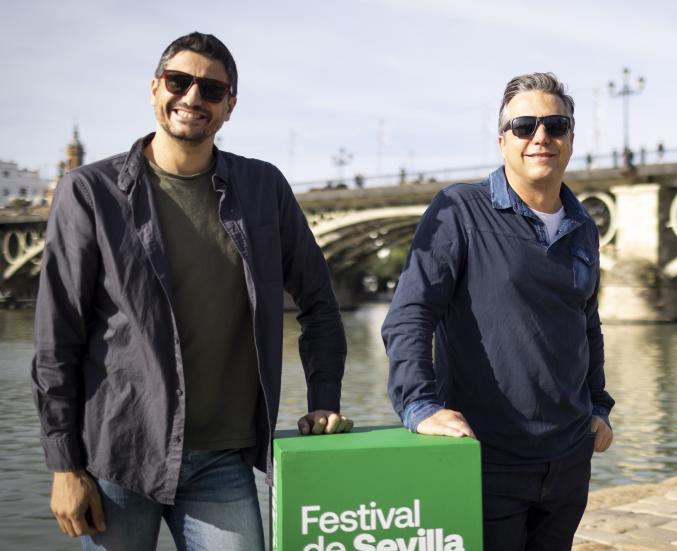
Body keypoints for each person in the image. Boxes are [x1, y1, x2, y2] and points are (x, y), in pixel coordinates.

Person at [32, 32, 351, 550]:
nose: (192, 98)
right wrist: (64, 464)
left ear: (229, 107)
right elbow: (56, 340)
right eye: (179, 82)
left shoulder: (263, 188)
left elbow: (318, 301)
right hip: (118, 456)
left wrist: (324, 400)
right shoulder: (90, 192)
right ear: (155, 88)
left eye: (211, 90)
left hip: (221, 459)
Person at [382, 72, 615, 550]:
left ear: (571, 139)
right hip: (488, 459)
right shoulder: (459, 210)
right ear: (502, 140)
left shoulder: (583, 226)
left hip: (570, 457)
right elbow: (410, 314)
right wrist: (419, 405)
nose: (541, 137)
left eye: (555, 125)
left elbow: (586, 323)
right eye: (525, 126)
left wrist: (598, 406)